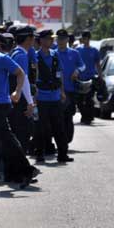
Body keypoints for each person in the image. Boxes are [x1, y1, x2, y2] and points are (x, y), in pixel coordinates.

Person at [0, 37, 38, 189]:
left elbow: (22, 75)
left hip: (0, 104)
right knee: (4, 139)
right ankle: (21, 171)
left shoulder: (3, 58)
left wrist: (19, 93)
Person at [33, 29, 72, 164]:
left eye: (52, 39)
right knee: (41, 128)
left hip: (55, 96)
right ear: (42, 40)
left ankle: (62, 154)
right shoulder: (35, 56)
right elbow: (33, 76)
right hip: (41, 97)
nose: (52, 41)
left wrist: (62, 91)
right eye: (49, 38)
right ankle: (39, 154)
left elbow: (60, 74)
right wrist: (34, 96)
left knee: (59, 127)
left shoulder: (55, 55)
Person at [8, 26, 37, 153]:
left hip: (15, 98)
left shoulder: (15, 53)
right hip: (20, 99)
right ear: (28, 39)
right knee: (22, 133)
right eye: (33, 37)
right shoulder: (21, 55)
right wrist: (30, 102)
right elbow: (23, 80)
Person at [55, 29, 85, 143]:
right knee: (58, 117)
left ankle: (66, 140)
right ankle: (61, 141)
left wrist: (77, 71)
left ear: (67, 39)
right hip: (56, 91)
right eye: (59, 39)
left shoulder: (74, 53)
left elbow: (82, 66)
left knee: (68, 116)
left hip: (71, 90)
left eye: (63, 38)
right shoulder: (53, 53)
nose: (61, 41)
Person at [75, 30, 101, 124]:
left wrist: (100, 76)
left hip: (91, 78)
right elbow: (74, 63)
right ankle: (84, 115)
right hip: (80, 78)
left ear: (89, 38)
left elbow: (98, 64)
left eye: (86, 38)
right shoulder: (78, 50)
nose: (84, 39)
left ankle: (89, 117)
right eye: (83, 38)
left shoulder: (94, 50)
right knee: (79, 100)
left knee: (89, 99)